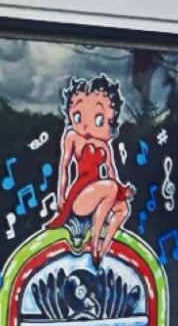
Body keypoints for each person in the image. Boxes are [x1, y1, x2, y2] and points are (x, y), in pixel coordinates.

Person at [50, 74, 133, 257]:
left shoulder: (105, 146)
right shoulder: (72, 137)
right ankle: (95, 242)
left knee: (123, 208)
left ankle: (103, 248)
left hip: (100, 193)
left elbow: (112, 174)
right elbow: (64, 167)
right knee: (110, 188)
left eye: (99, 120)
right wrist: (61, 197)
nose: (87, 126)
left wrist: (123, 192)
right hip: (80, 195)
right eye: (78, 116)